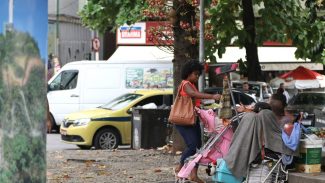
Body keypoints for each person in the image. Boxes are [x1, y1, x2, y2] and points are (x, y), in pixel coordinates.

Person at [174, 60, 221, 183]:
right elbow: (193, 94)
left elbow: (196, 100)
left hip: (192, 120)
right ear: (188, 73)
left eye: (198, 74)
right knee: (192, 146)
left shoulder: (192, 84)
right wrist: (212, 96)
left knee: (198, 148)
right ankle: (179, 168)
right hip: (183, 121)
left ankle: (193, 175)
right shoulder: (186, 84)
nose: (197, 76)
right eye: (195, 74)